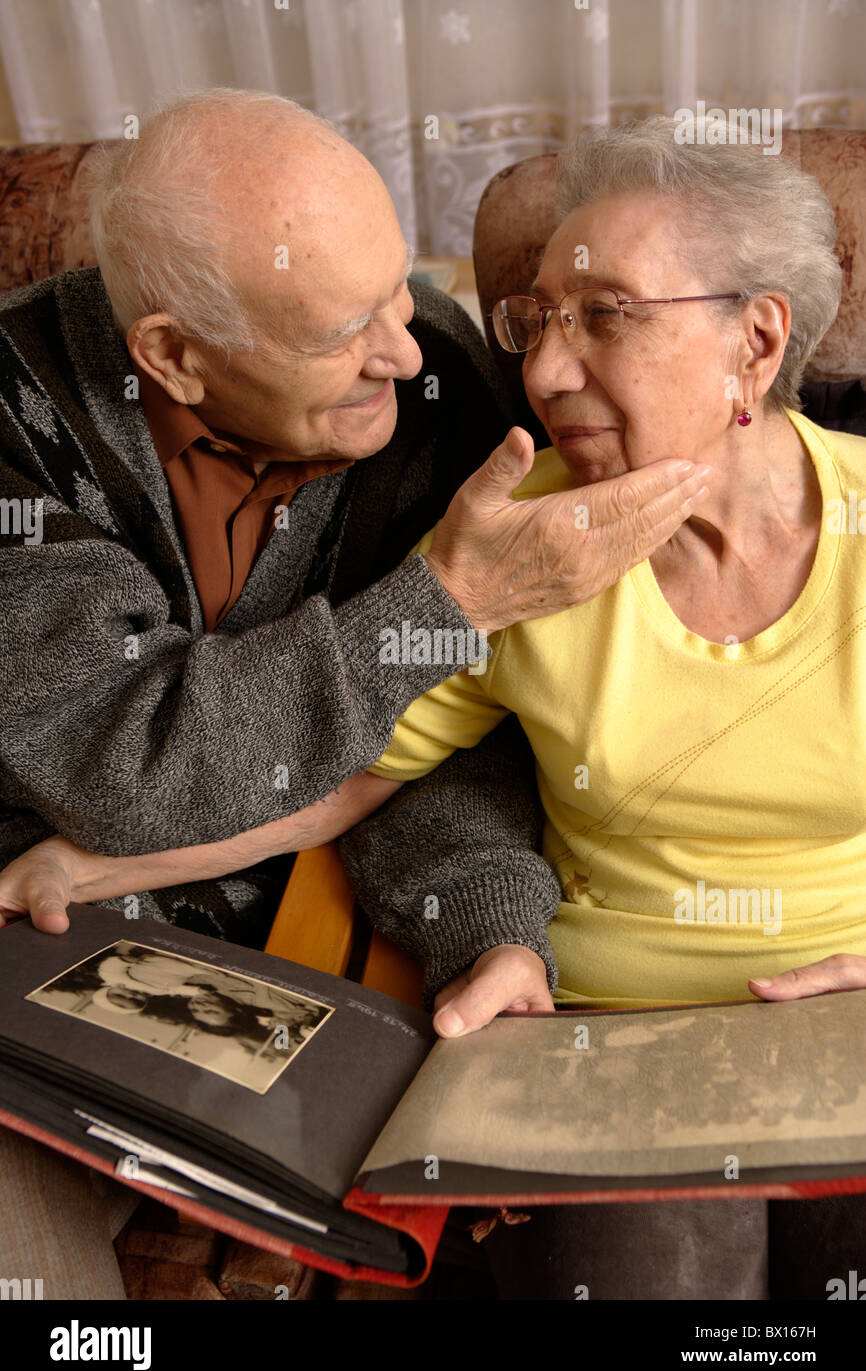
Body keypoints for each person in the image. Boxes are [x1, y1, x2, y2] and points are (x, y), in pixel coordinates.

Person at [0, 88, 700, 1299]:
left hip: (301, 961)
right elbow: (123, 762)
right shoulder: (14, 423)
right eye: (341, 329)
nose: (409, 347)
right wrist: (440, 610)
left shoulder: (434, 394)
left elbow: (453, 745)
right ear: (171, 353)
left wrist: (482, 925)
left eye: (395, 286)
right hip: (34, 958)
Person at [333, 115, 866, 1298]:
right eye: (533, 322)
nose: (543, 370)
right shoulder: (521, 546)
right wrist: (75, 866)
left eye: (606, 316)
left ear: (755, 341)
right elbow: (331, 768)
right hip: (602, 1033)